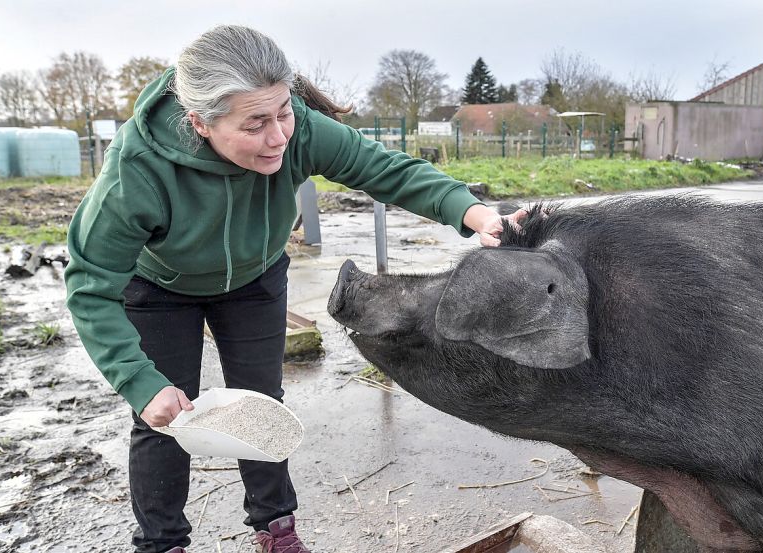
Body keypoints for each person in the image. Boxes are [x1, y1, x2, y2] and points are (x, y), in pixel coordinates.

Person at [65, 25, 524, 553]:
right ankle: (162, 542)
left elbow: (382, 169)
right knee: (164, 415)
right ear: (200, 123)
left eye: (283, 111)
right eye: (255, 123)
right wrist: (139, 384)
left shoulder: (298, 128)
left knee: (263, 405)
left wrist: (473, 212)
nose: (279, 135)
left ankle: (275, 527)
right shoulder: (136, 173)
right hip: (161, 287)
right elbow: (89, 287)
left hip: (255, 279)